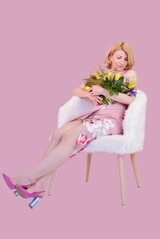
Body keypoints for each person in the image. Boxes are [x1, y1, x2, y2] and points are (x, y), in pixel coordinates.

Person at [2, 41, 137, 206]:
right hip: (95, 115)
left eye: (125, 58)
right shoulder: (101, 76)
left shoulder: (130, 74)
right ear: (110, 57)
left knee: (71, 136)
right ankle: (40, 185)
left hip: (112, 120)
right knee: (58, 134)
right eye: (119, 57)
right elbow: (76, 90)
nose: (122, 62)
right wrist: (87, 95)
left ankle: (29, 177)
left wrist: (104, 91)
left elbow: (129, 98)